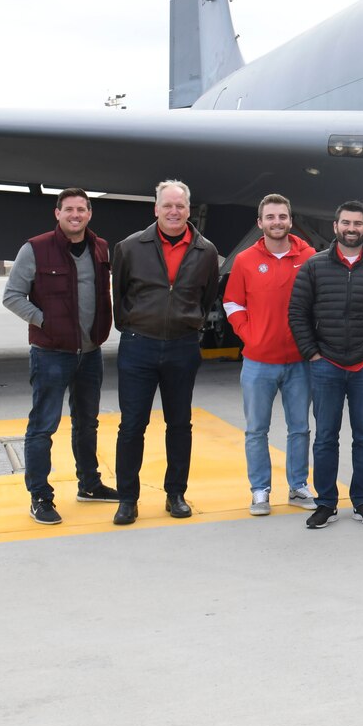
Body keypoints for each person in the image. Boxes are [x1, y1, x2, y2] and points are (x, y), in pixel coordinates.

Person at [1, 187, 116, 525]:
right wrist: (44, 321)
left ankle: (90, 484)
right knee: (42, 427)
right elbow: (12, 296)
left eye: (81, 209)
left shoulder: (100, 248)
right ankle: (40, 496)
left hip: (91, 352)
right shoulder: (35, 249)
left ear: (89, 213)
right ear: (57, 213)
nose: (75, 215)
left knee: (87, 423)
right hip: (51, 353)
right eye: (69, 209)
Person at [110, 179, 221, 525]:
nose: (174, 212)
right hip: (138, 346)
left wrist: (188, 325)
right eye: (167, 205)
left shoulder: (206, 252)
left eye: (181, 206)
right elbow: (120, 296)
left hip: (182, 347)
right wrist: (135, 326)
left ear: (189, 210)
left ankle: (176, 494)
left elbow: (207, 297)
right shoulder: (129, 248)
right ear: (155, 208)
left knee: (179, 424)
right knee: (132, 426)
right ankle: (127, 498)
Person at [289, 201, 363, 528]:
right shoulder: (314, 266)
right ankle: (325, 503)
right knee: (326, 437)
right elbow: (297, 314)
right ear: (336, 226)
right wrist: (312, 353)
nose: (352, 229)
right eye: (346, 223)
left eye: (358, 224)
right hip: (326, 365)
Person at [222, 194, 319, 517]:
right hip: (258, 362)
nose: (277, 222)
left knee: (300, 427)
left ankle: (298, 485)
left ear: (290, 220)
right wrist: (250, 335)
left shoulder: (308, 255)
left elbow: (319, 301)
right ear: (260, 222)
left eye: (282, 216)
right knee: (256, 430)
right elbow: (233, 303)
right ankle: (260, 490)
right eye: (271, 217)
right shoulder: (246, 260)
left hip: (298, 361)